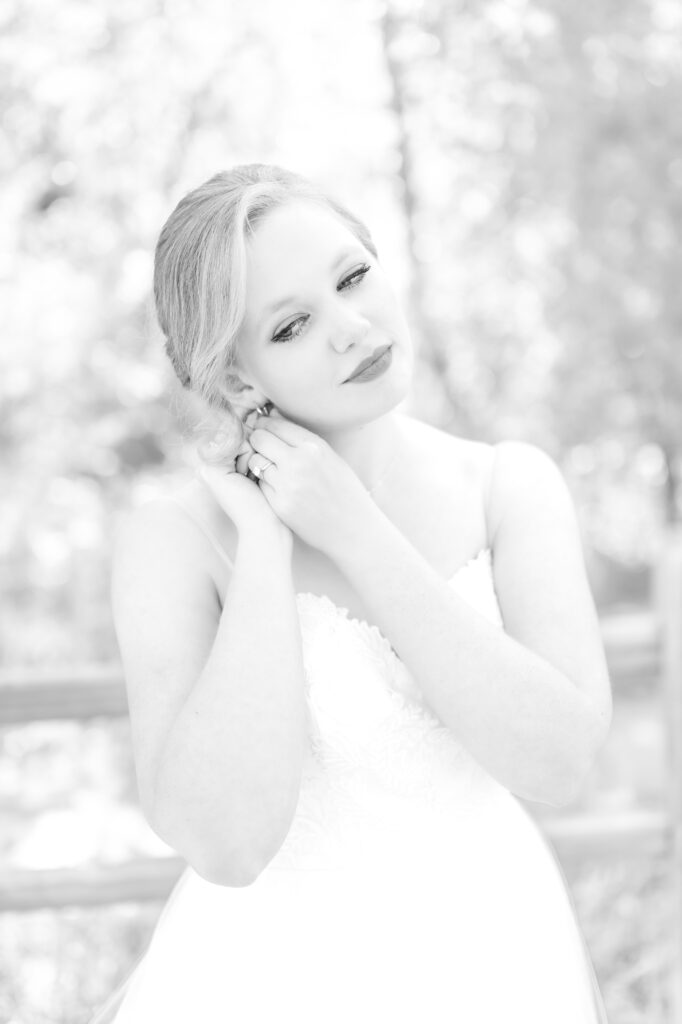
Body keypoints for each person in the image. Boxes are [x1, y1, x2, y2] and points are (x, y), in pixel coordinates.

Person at [92, 163, 612, 1023]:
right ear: (234, 379)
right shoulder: (174, 541)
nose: (352, 327)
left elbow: (558, 762)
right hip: (270, 981)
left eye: (353, 276)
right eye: (292, 325)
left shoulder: (509, 487)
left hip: (496, 960)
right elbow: (227, 843)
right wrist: (264, 548)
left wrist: (357, 534)